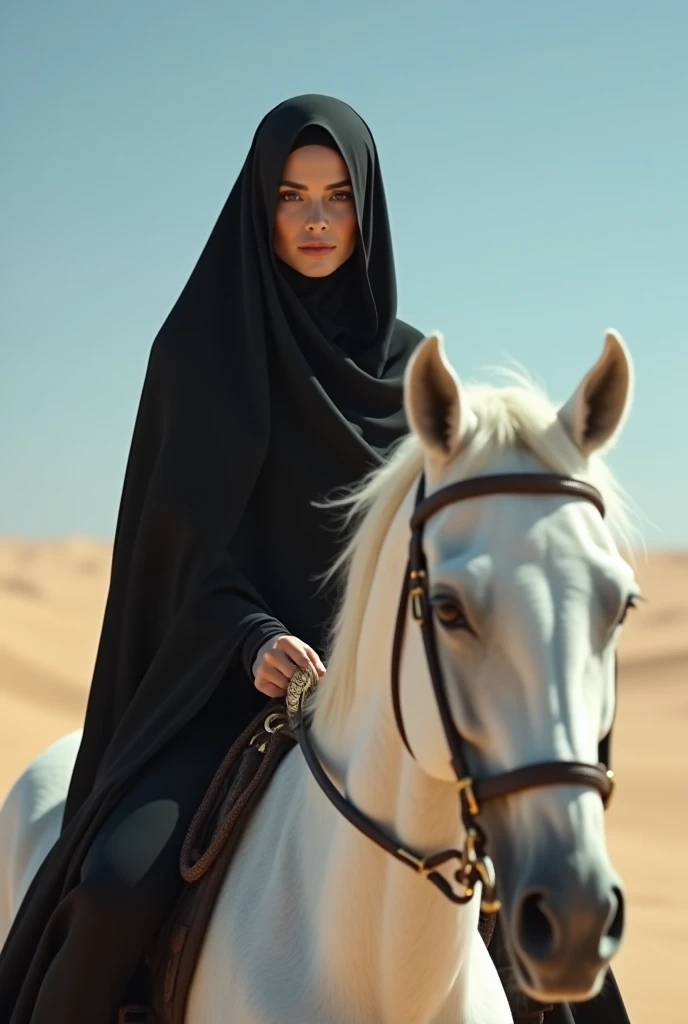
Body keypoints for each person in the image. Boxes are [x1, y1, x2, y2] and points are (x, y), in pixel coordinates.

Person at [0, 94, 630, 1024]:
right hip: (216, 702)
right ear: (261, 206)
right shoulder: (196, 358)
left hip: (383, 711)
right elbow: (170, 556)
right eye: (293, 197)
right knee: (116, 895)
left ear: (366, 209)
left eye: (338, 196)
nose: (318, 220)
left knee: (581, 979)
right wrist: (250, 639)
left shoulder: (416, 377)